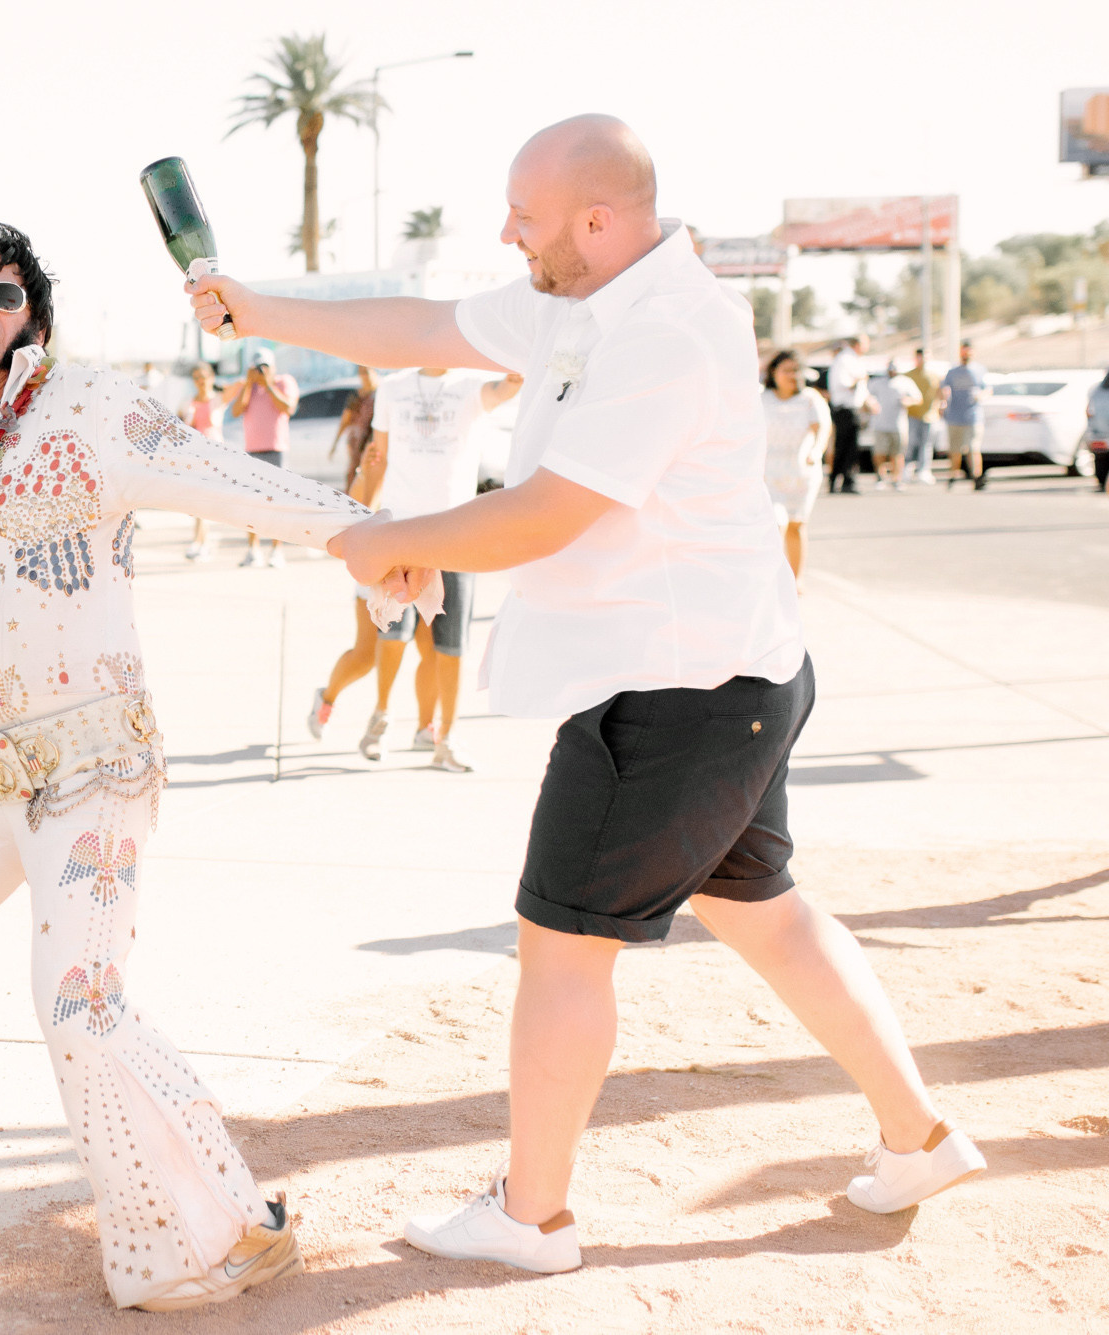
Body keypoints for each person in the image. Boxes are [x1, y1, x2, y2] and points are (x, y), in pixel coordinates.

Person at [191, 112, 983, 1275]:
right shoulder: (578, 298)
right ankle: (917, 1137)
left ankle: (532, 1218)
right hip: (734, 676)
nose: (505, 232)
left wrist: (386, 537)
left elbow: (551, 511)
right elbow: (423, 328)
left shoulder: (668, 329)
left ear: (599, 221)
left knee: (560, 946)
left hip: (672, 694)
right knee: (763, 912)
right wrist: (255, 308)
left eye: (524, 214)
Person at [0, 224, 377, 1312]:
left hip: (93, 769)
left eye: (1, 292)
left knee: (77, 1001)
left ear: (37, 321)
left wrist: (370, 534)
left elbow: (227, 480)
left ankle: (223, 1231)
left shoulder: (89, 409)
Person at [309, 365, 521, 767]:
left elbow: (502, 390)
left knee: (448, 647)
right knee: (386, 640)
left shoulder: (468, 385)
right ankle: (378, 718)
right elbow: (379, 458)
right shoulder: (393, 388)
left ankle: (443, 737)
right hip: (399, 533)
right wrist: (355, 525)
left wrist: (514, 373)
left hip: (455, 536)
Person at [762, 349, 830, 587]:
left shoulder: (811, 399)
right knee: (774, 522)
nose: (792, 375)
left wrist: (815, 451)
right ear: (774, 373)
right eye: (786, 370)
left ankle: (795, 580)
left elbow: (820, 429)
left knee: (796, 524)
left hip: (801, 471)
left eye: (796, 370)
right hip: (768, 472)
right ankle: (773, 578)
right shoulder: (762, 398)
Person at [231, 346, 301, 566]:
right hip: (252, 450)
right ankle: (253, 550)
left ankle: (276, 551)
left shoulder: (283, 382)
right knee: (251, 502)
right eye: (257, 367)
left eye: (265, 367)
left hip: (276, 449)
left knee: (277, 502)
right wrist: (250, 383)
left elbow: (288, 407)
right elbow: (235, 411)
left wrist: (268, 385)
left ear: (273, 367)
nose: (261, 371)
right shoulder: (248, 387)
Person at [177, 362, 226, 560]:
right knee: (197, 500)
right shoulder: (188, 402)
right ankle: (199, 541)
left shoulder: (218, 399)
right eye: (196, 377)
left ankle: (201, 542)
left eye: (203, 376)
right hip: (193, 454)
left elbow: (239, 385)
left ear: (211, 377)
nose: (200, 381)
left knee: (203, 500)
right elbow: (178, 423)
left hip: (213, 454)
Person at [826, 334, 875, 493]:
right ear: (858, 344)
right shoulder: (845, 359)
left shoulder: (854, 360)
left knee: (848, 448)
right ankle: (841, 480)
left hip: (851, 408)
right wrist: (858, 379)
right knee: (845, 447)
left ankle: (844, 480)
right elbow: (844, 383)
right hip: (845, 408)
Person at [941, 341, 991, 489]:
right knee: (955, 449)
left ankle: (976, 476)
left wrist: (981, 396)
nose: (966, 355)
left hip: (973, 416)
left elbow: (988, 389)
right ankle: (953, 474)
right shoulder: (953, 372)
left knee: (973, 448)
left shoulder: (980, 370)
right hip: (955, 416)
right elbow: (943, 388)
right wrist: (943, 401)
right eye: (964, 352)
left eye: (968, 352)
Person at [866, 358, 921, 490]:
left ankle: (897, 479)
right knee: (879, 452)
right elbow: (866, 395)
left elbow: (918, 398)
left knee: (897, 453)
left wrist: (908, 401)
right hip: (880, 423)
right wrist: (871, 405)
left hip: (898, 424)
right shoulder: (877, 382)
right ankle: (881, 477)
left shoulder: (905, 382)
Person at [333, 364, 381, 490]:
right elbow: (346, 420)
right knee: (355, 471)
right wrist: (335, 443)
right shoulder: (356, 396)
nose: (365, 376)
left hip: (376, 440)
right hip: (357, 439)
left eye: (367, 371)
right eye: (362, 372)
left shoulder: (381, 393)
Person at [905, 346, 941, 484]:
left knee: (926, 444)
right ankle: (907, 468)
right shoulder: (908, 375)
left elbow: (939, 393)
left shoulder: (934, 376)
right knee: (911, 443)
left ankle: (924, 470)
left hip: (930, 415)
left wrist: (941, 405)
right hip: (913, 414)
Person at [1088, 366, 1109, 492]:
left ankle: (1102, 482)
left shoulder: (1096, 390)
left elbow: (1089, 411)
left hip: (1099, 430)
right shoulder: (1096, 390)